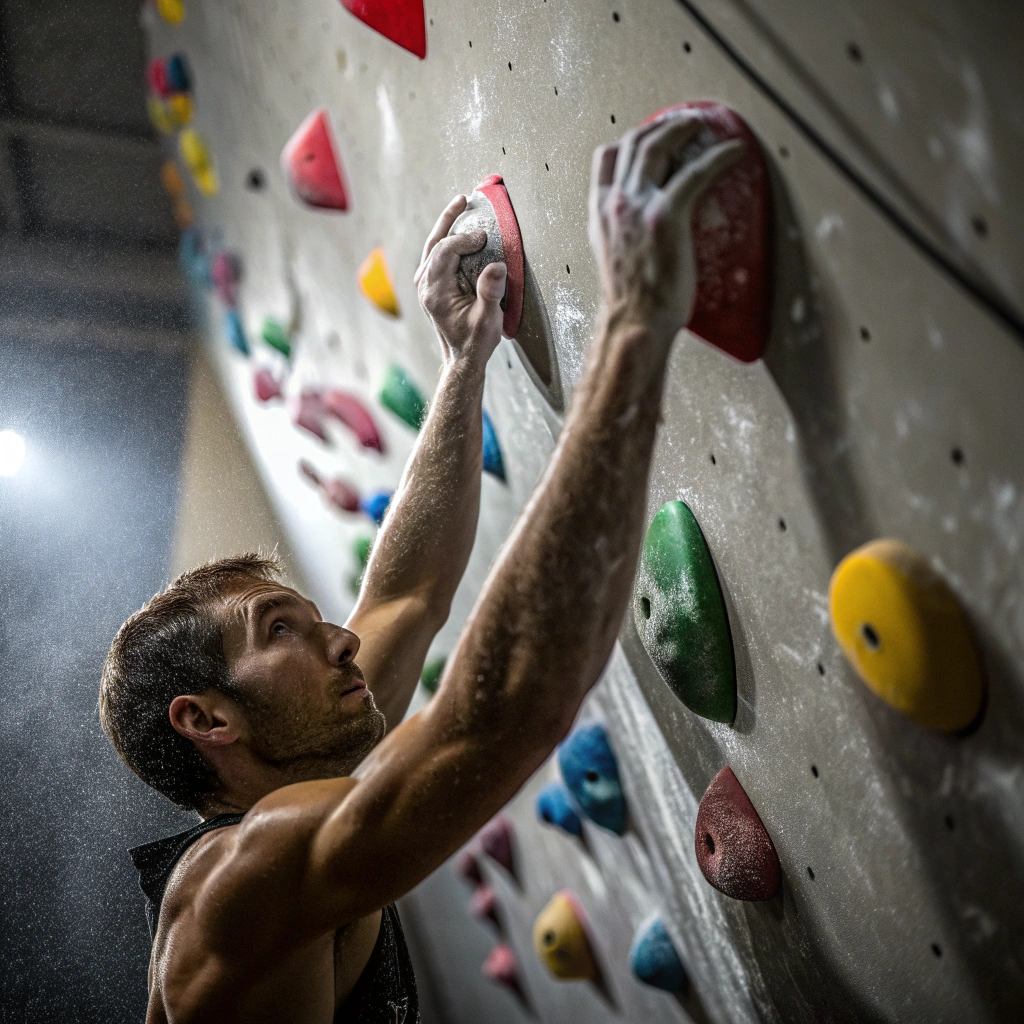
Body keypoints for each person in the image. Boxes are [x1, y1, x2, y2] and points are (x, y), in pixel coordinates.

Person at [100, 111, 740, 1024]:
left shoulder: (298, 816)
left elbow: (405, 594)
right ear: (205, 718)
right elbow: (505, 711)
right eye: (278, 629)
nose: (339, 634)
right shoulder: (243, 875)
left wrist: (461, 361)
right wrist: (634, 327)